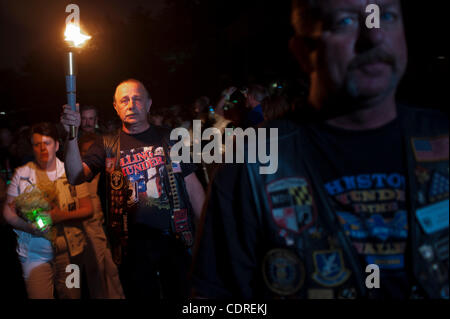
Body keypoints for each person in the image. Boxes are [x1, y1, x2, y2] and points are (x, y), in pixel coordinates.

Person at [192, 0, 448, 299]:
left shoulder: (442, 139)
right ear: (303, 53)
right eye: (345, 22)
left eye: (386, 15)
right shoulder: (252, 160)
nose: (374, 36)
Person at [61, 78, 206, 299]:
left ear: (148, 104)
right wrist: (71, 136)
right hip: (132, 246)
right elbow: (74, 176)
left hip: (176, 239)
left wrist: (207, 233)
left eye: (137, 99)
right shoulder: (107, 144)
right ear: (116, 107)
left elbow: (192, 186)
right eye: (124, 100)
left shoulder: (169, 138)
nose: (131, 105)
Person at [3, 122, 93, 299]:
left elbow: (87, 209)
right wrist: (28, 227)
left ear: (57, 145)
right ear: (32, 147)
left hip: (70, 254)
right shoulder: (22, 174)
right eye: (37, 144)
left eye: (47, 143)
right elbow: (8, 211)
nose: (43, 148)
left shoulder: (72, 172)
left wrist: (61, 216)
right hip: (34, 256)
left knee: (72, 295)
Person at [78, 133, 125, 298]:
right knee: (96, 274)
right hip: (91, 231)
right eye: (86, 152)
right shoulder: (82, 177)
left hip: (109, 230)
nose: (92, 156)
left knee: (114, 272)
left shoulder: (109, 173)